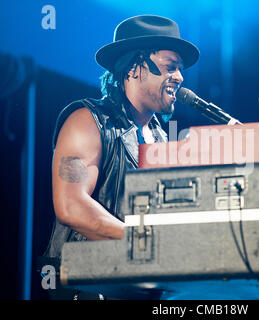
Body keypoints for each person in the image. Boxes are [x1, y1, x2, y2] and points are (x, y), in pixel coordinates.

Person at [42, 15, 199, 299]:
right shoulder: (86, 121)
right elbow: (70, 205)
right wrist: (147, 242)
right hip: (85, 289)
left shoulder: (163, 139)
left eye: (180, 69)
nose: (179, 77)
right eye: (170, 67)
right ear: (135, 68)